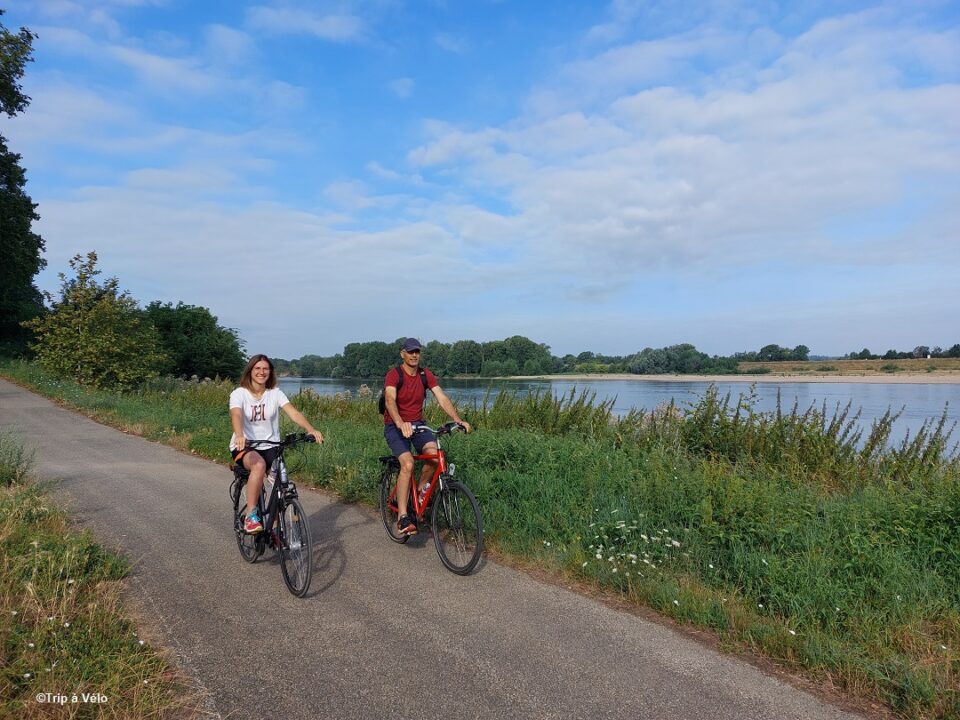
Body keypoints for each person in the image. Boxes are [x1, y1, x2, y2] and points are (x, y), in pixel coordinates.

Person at [382, 337, 471, 535]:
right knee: (408, 464)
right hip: (395, 426)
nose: (414, 355)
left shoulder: (425, 375)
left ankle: (419, 494)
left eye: (417, 352)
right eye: (410, 351)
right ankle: (403, 517)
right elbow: (390, 400)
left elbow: (441, 397)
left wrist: (457, 419)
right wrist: (399, 422)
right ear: (402, 354)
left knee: (434, 455)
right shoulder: (394, 375)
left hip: (418, 426)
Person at [229, 354, 324, 534]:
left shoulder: (275, 393)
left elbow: (293, 413)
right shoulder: (239, 393)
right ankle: (251, 516)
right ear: (250, 371)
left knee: (282, 486)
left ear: (270, 372)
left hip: (271, 445)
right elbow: (236, 415)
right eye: (257, 368)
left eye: (265, 369)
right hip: (245, 445)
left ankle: (272, 528)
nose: (261, 372)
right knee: (258, 465)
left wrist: (311, 429)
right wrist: (240, 434)